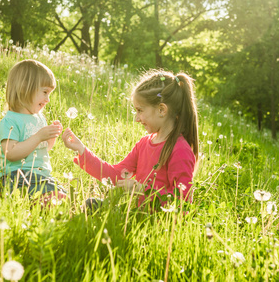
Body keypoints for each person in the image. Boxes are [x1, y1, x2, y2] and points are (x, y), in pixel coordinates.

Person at [62, 69, 199, 209]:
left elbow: (183, 200)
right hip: (135, 215)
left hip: (158, 224)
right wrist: (82, 149)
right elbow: (115, 176)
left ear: (162, 110)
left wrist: (141, 190)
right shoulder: (144, 144)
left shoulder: (180, 150)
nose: (136, 118)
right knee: (91, 205)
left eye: (140, 110)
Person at [0, 59, 66, 203]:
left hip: (42, 177)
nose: (47, 99)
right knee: (55, 198)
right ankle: (42, 204)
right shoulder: (10, 121)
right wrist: (39, 136)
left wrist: (50, 138)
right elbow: (11, 153)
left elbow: (42, 150)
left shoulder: (39, 118)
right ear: (25, 88)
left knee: (63, 195)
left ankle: (58, 204)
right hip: (19, 177)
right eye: (45, 92)